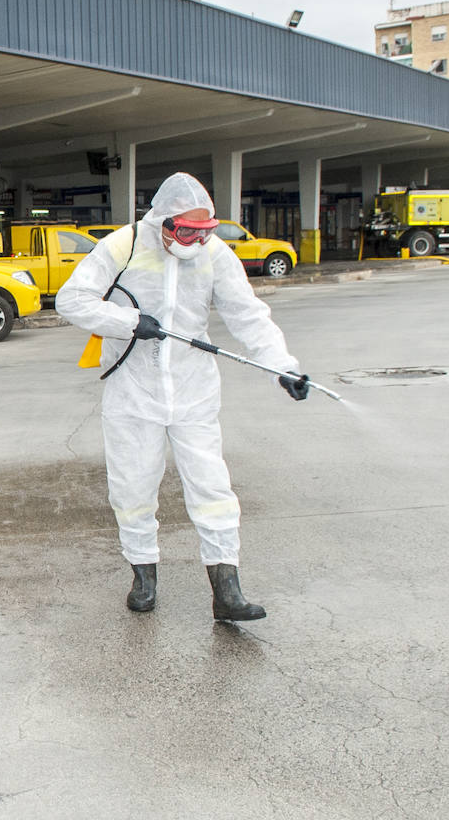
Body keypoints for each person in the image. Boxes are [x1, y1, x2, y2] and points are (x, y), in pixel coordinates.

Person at [56, 173, 309, 621]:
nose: (194, 241)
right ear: (163, 221)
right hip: (133, 388)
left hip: (193, 390)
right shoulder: (124, 244)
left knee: (212, 487)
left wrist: (282, 368)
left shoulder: (214, 254)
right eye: (186, 231)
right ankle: (144, 578)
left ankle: (226, 591)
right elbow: (72, 300)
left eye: (204, 232)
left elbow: (248, 315)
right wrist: (130, 321)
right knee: (133, 486)